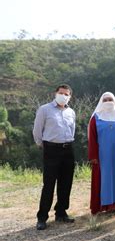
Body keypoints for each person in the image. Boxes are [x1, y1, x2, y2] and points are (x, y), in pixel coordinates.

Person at [32, 84, 76, 230]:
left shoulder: (71, 112)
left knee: (66, 183)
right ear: (55, 93)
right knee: (49, 184)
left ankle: (61, 212)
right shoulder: (45, 109)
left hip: (68, 149)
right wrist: (42, 145)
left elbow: (72, 130)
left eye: (66, 94)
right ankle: (42, 217)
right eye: (61, 93)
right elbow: (37, 130)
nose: (63, 96)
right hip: (51, 149)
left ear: (70, 97)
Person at [88, 92, 115, 215]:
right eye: (105, 100)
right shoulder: (96, 118)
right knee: (104, 179)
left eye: (110, 99)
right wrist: (93, 156)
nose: (108, 102)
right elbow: (92, 139)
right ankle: (105, 205)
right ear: (101, 102)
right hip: (102, 156)